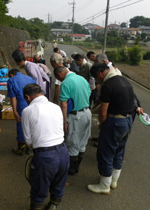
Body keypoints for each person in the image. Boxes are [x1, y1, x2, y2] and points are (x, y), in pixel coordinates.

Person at [87, 63, 134, 194]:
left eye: (97, 78)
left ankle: (104, 185)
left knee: (106, 153)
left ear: (100, 74)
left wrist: (102, 125)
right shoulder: (124, 80)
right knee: (119, 151)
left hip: (115, 121)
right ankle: (113, 180)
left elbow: (103, 113)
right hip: (127, 120)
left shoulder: (108, 85)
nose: (97, 81)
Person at [21, 83, 69, 210]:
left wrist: (36, 150)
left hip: (46, 156)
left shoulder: (27, 111)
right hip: (63, 151)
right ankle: (53, 206)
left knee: (39, 188)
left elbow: (28, 139)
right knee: (58, 184)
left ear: (27, 97)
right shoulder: (56, 107)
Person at [54, 66, 91, 175]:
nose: (60, 81)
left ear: (60, 75)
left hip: (75, 116)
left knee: (73, 142)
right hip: (87, 113)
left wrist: (64, 121)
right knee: (83, 141)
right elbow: (89, 93)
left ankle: (71, 169)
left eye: (59, 79)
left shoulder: (66, 83)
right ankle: (77, 166)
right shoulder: (82, 79)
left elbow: (64, 104)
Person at [7, 69, 36, 155]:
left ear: (11, 75)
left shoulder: (11, 80)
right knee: (32, 125)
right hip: (32, 104)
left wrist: (15, 111)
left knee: (21, 125)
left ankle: (21, 148)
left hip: (21, 106)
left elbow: (13, 97)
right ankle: (29, 147)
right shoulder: (30, 78)